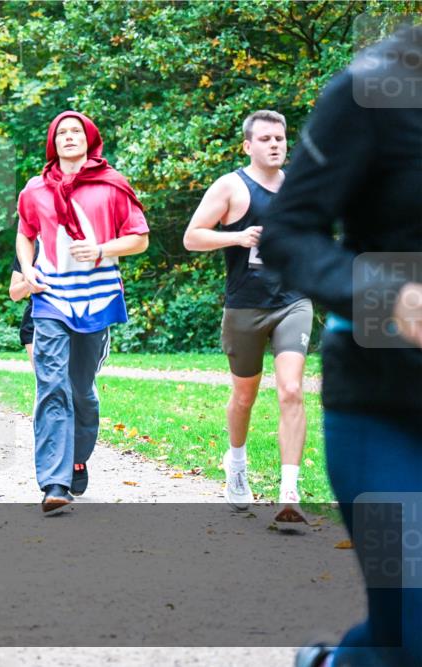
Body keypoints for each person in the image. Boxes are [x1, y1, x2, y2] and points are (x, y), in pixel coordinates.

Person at [258, 25, 421, 667]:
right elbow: (289, 235)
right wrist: (390, 299)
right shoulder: (373, 89)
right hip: (385, 410)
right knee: (413, 629)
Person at [16, 111, 149, 514]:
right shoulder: (35, 188)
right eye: (62, 133)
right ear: (52, 144)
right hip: (51, 298)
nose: (69, 137)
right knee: (51, 386)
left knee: (81, 391)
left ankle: (77, 456)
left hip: (97, 298)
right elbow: (25, 234)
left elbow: (139, 239)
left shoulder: (112, 185)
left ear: (90, 140)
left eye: (76, 132)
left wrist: (102, 250)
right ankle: (54, 483)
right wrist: (27, 269)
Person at [183, 110, 313, 522]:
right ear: (248, 146)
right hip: (245, 305)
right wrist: (237, 236)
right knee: (244, 396)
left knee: (291, 389)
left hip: (293, 301)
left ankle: (288, 492)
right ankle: (236, 465)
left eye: (280, 138)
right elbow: (192, 237)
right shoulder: (230, 186)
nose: (275, 144)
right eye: (266, 139)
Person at [8, 241, 40, 362]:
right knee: (46, 379)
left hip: (75, 320)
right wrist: (32, 278)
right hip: (35, 324)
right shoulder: (29, 248)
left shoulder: (74, 242)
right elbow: (14, 294)